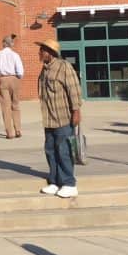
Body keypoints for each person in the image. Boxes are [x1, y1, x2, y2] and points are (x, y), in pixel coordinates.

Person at [36, 38, 82, 198]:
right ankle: (55, 181)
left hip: (63, 118)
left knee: (63, 151)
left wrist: (76, 111)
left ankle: (69, 183)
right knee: (50, 150)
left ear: (49, 52)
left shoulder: (64, 67)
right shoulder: (45, 69)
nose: (39, 53)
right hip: (49, 118)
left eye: (42, 50)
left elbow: (74, 89)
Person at [0, 34, 24, 139]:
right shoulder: (15, 55)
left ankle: (9, 132)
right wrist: (18, 77)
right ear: (11, 44)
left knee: (5, 106)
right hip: (14, 78)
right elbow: (20, 70)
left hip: (3, 79)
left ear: (3, 43)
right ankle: (18, 129)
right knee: (15, 104)